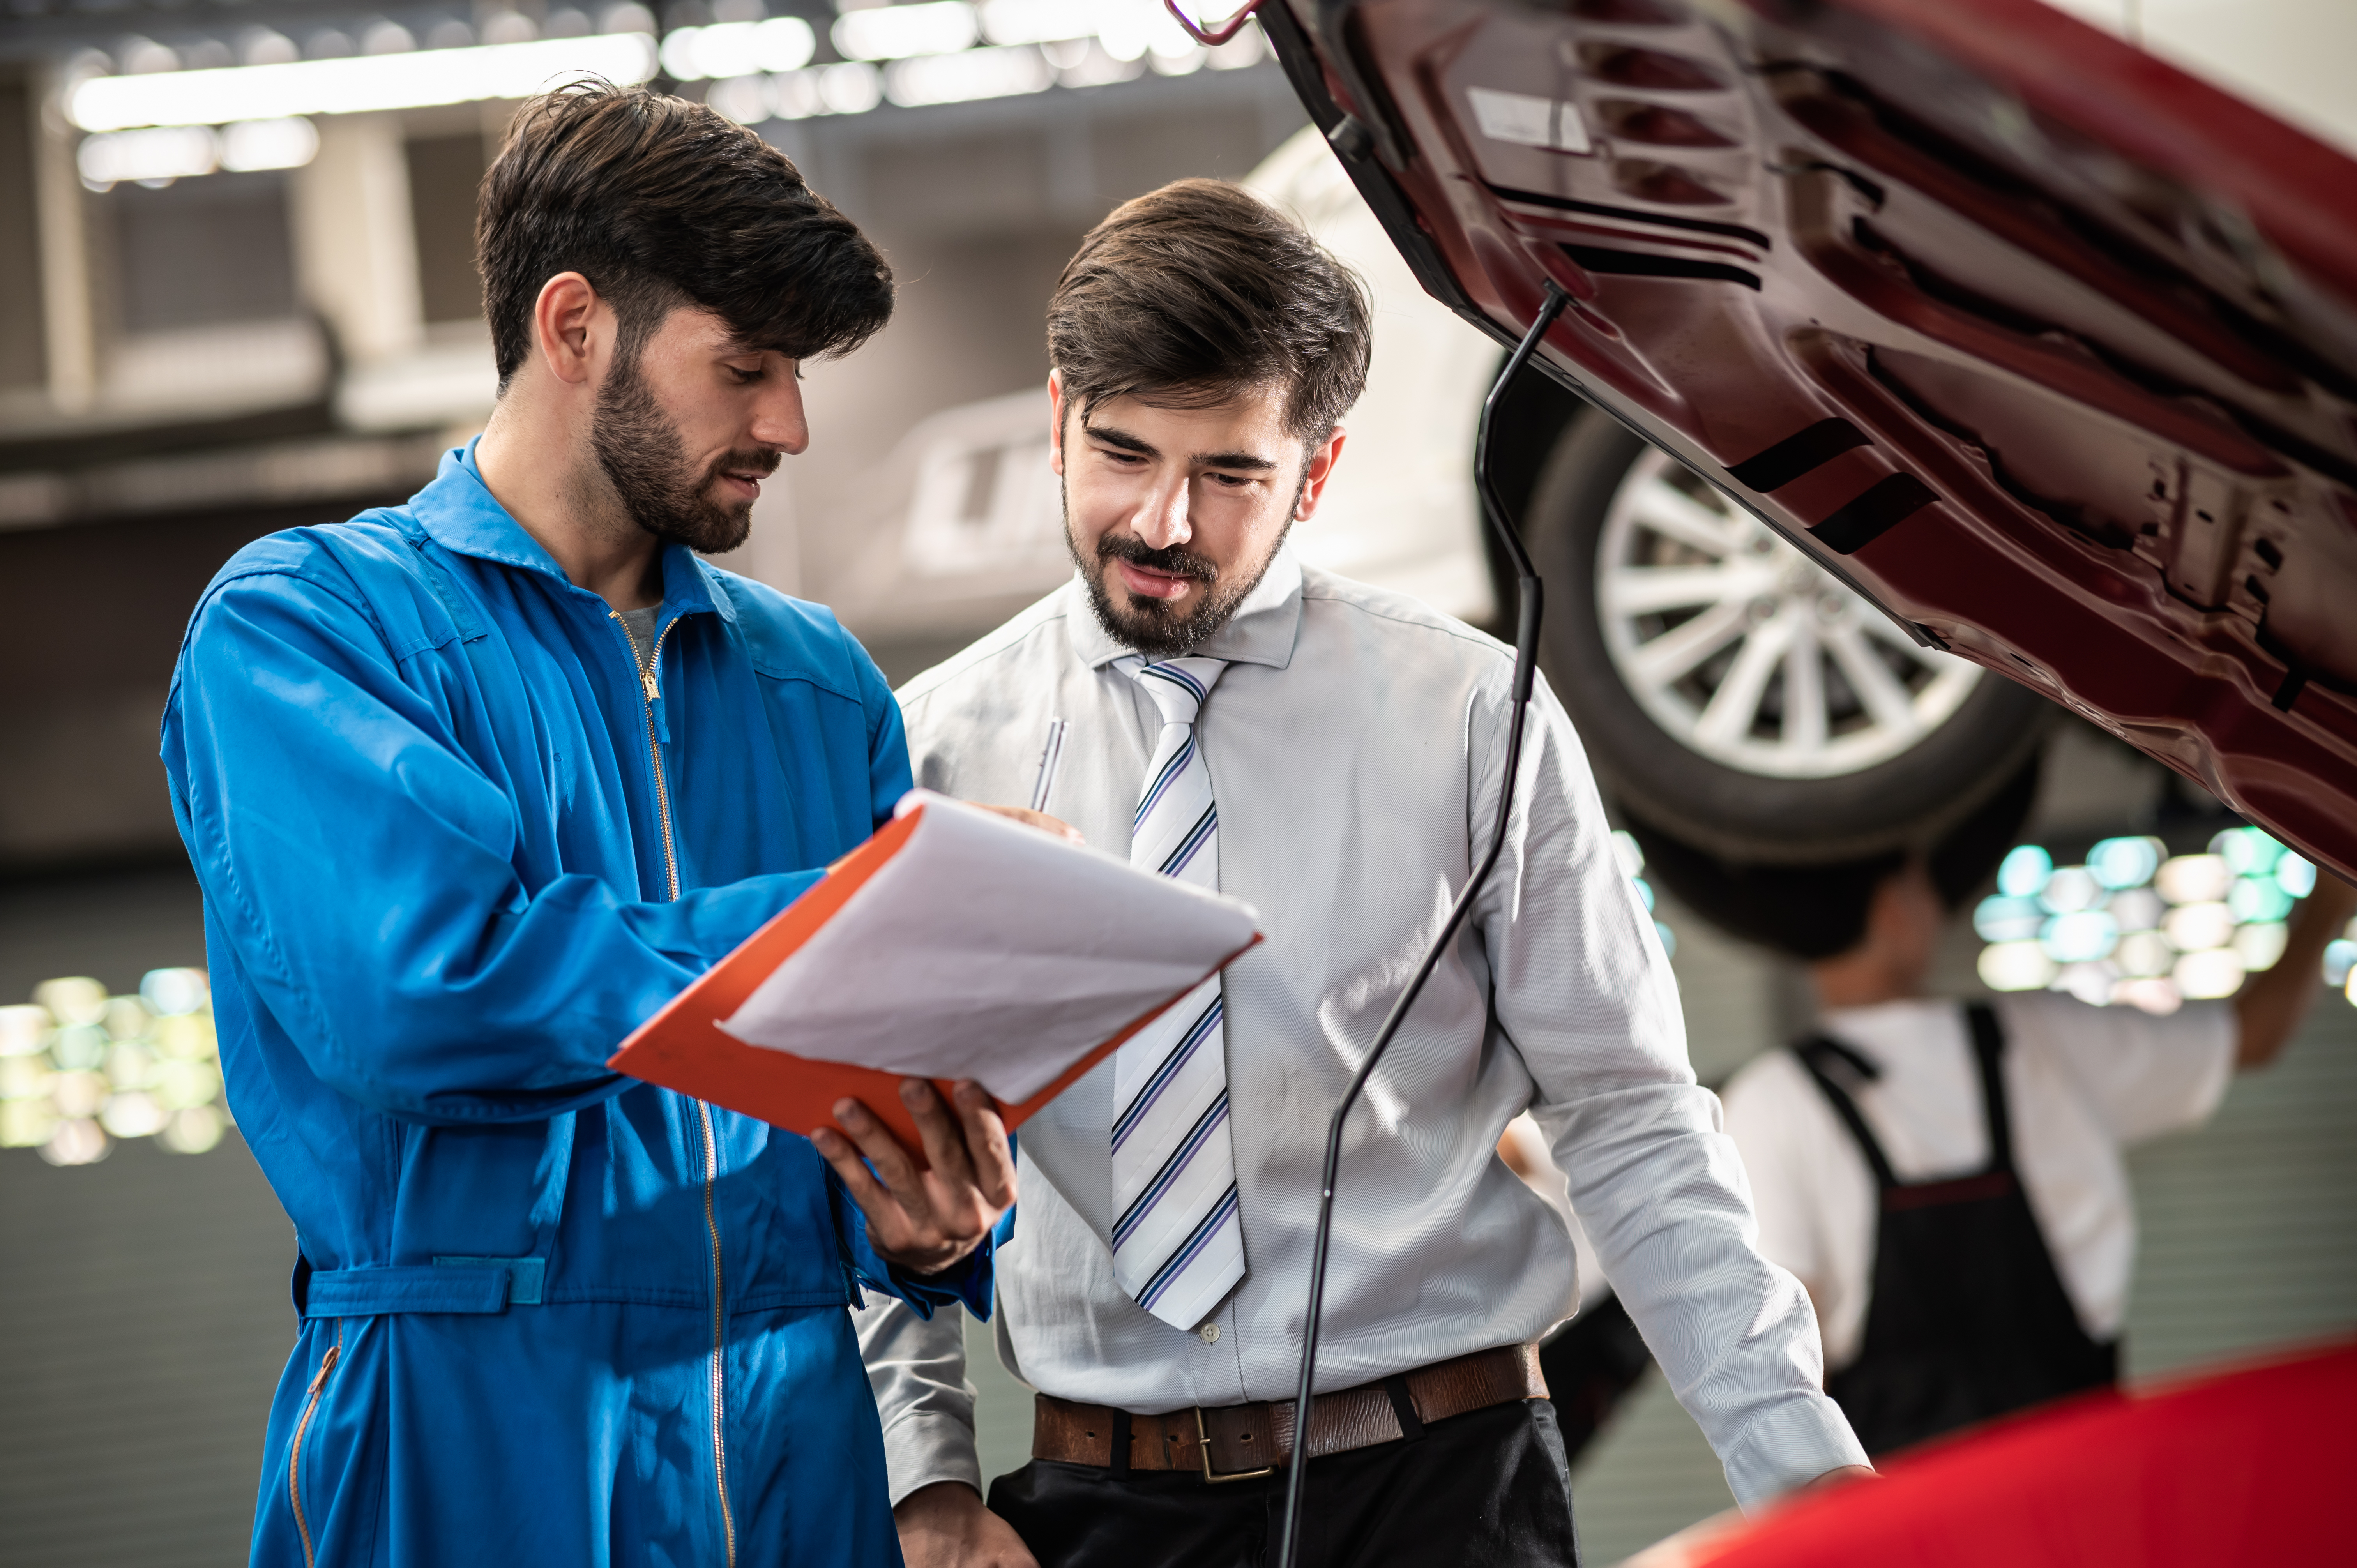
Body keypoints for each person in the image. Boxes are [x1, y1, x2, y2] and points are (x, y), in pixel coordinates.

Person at [855, 179, 1871, 1568]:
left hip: (1438, 1494)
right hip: (1094, 1511)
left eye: (1229, 475)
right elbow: (867, 1147)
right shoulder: (927, 750)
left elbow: (1628, 1122)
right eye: (1120, 453)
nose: (1160, 521)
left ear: (1316, 473)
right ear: (1053, 420)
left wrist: (1813, 1484)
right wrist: (924, 1484)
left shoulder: (1471, 717)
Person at [160, 84, 1018, 1566]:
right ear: (573, 328)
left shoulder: (819, 685)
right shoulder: (307, 630)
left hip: (793, 1441)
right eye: (744, 367)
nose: (790, 424)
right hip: (464, 1429)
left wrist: (928, 1223)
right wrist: (843, 916)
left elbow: (885, 1084)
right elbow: (429, 995)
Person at [1645, 771, 2357, 1458]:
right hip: (2088, 1479)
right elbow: (2252, 1035)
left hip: (1907, 1522)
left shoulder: (1771, 1100)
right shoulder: (2038, 1040)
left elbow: (1784, 1361)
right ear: (1895, 910)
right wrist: (2333, 885)